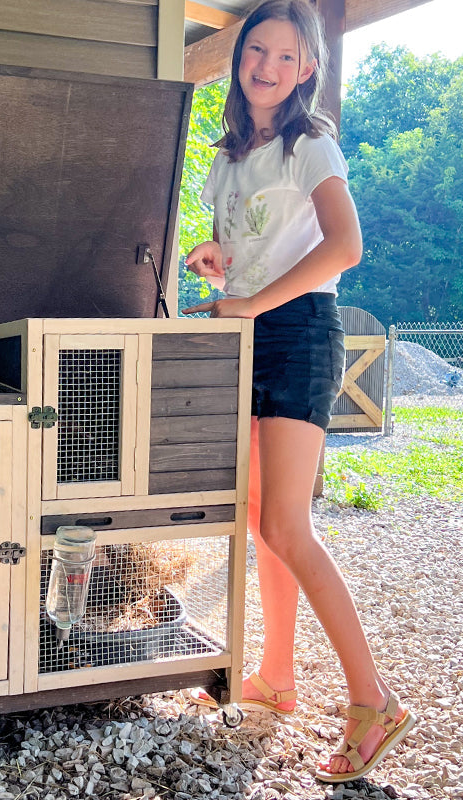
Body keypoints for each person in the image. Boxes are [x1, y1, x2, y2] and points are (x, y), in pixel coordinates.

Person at [182, 0, 415, 783]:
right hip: (247, 333)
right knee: (260, 518)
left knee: (287, 522)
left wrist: (252, 301)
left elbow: (345, 246)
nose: (269, 67)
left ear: (307, 69)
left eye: (287, 56)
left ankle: (374, 701)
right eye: (258, 50)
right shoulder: (228, 159)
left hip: (301, 331)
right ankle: (276, 677)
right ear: (238, 56)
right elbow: (254, 249)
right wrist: (218, 257)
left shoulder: (311, 144)